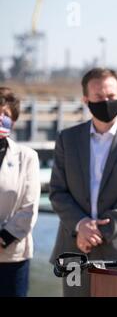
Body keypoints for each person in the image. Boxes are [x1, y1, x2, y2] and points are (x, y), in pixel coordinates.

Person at [49, 68, 117, 296]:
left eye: (111, 96)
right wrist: (81, 226)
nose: (106, 101)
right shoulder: (67, 139)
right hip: (74, 246)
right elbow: (58, 192)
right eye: (99, 97)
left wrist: (99, 231)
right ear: (86, 100)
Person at [0, 87, 40, 297]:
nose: (0, 118)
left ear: (13, 121)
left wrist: (3, 238)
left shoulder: (27, 157)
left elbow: (29, 206)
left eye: (5, 115)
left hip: (11, 257)